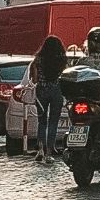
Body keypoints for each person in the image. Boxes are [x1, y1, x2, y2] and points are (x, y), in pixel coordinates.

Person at [28, 35, 67, 163]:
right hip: (56, 90)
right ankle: (49, 151)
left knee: (42, 121)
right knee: (53, 122)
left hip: (42, 91)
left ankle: (40, 149)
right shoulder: (61, 59)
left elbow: (34, 79)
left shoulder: (38, 59)